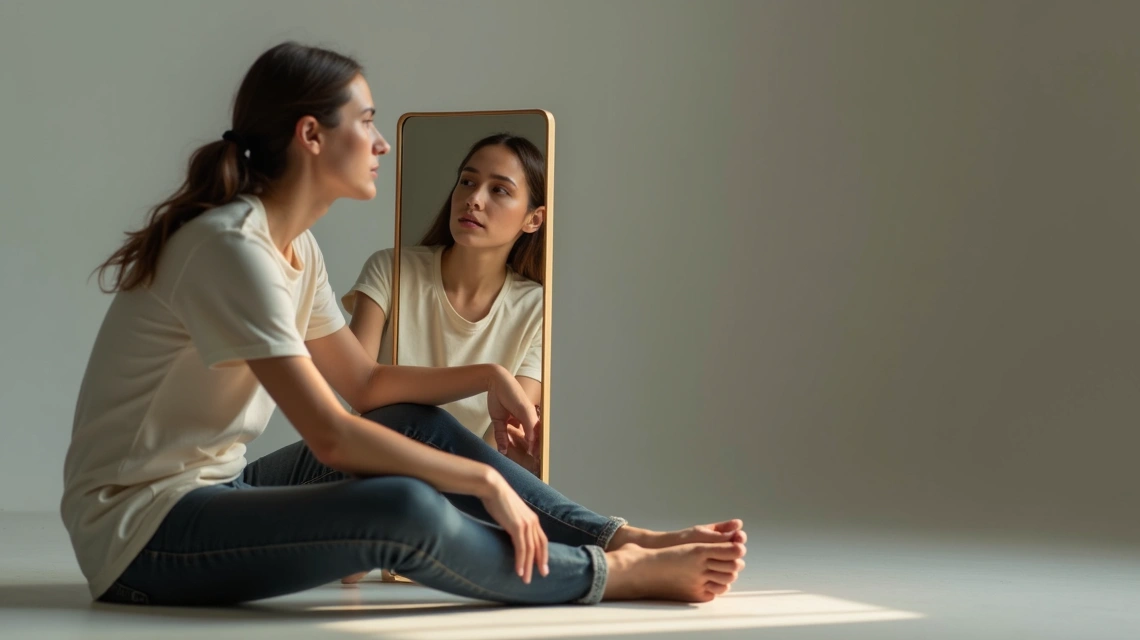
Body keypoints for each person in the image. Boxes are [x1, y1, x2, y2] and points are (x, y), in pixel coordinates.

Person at [61, 41, 746, 608]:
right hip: (142, 535)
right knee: (402, 508)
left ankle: (620, 538)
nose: (382, 144)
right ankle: (610, 574)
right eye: (366, 121)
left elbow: (363, 384)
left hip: (220, 490)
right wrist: (483, 480)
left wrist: (487, 374)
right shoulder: (231, 249)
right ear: (311, 135)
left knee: (409, 418)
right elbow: (331, 436)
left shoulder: (295, 247)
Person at [344, 133, 548, 476]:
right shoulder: (391, 269)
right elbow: (356, 386)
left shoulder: (538, 309)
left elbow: (501, 442)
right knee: (416, 422)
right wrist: (487, 377)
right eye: (467, 182)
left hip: (466, 483)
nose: (474, 199)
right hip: (374, 468)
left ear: (534, 219)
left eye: (499, 190)